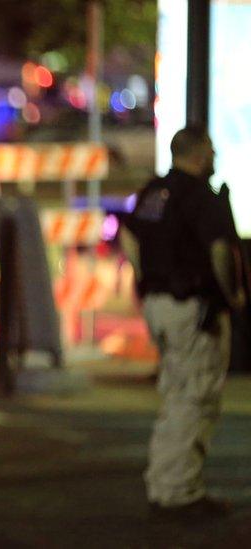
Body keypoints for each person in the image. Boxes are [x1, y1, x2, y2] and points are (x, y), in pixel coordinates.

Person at [121, 126, 245, 518]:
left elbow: (129, 235)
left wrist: (146, 279)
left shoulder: (154, 191)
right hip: (193, 307)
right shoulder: (200, 197)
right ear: (199, 153)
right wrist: (233, 294)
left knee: (176, 394)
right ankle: (179, 492)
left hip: (159, 304)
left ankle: (165, 484)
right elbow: (221, 250)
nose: (215, 157)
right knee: (196, 397)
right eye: (211, 150)